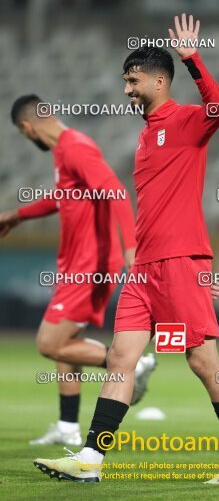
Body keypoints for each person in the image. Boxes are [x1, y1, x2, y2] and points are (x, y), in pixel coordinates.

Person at [33, 14, 219, 485]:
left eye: (133, 81)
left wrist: (192, 59)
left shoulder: (187, 121)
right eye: (125, 82)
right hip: (147, 270)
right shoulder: (144, 133)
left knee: (202, 361)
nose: (127, 90)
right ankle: (92, 459)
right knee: (120, 357)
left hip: (179, 264)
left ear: (160, 80)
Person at [0, 95, 157, 445]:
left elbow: (116, 192)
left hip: (90, 265)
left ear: (27, 128)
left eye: (26, 136)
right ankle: (68, 427)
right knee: (65, 344)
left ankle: (131, 364)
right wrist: (16, 215)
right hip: (76, 264)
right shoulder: (64, 151)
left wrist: (131, 246)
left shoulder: (76, 148)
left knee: (48, 343)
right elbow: (62, 198)